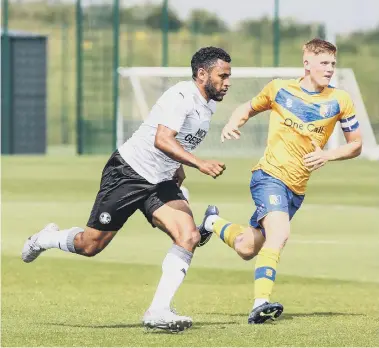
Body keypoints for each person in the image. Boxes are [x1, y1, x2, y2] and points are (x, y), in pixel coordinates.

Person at [22, 46, 232, 333]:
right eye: (223, 76)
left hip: (160, 180)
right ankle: (46, 238)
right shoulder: (182, 96)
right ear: (202, 73)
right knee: (90, 245)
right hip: (128, 173)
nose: (227, 82)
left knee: (189, 235)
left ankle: (157, 310)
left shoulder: (208, 104)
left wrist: (178, 167)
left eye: (228, 76)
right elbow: (162, 139)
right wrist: (198, 164)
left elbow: (178, 141)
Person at [198, 38, 362, 324]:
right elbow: (246, 108)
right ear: (307, 63)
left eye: (333, 64)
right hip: (268, 176)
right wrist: (233, 123)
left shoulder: (340, 100)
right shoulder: (279, 89)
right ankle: (260, 303)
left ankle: (211, 223)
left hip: (296, 189)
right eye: (324, 63)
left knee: (248, 248)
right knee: (280, 235)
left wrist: (328, 155)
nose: (329, 69)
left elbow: (356, 144)